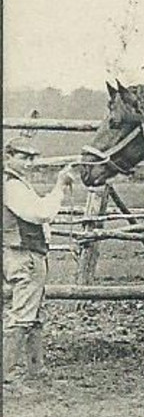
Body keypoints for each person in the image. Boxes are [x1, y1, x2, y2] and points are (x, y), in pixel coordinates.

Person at [4, 133, 74, 384]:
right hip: (24, 257)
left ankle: (36, 371)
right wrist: (59, 185)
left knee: (34, 316)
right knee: (23, 315)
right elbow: (41, 214)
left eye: (32, 158)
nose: (29, 163)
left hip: (31, 255)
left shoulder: (20, 184)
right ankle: (8, 378)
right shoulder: (11, 186)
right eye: (24, 157)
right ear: (8, 157)